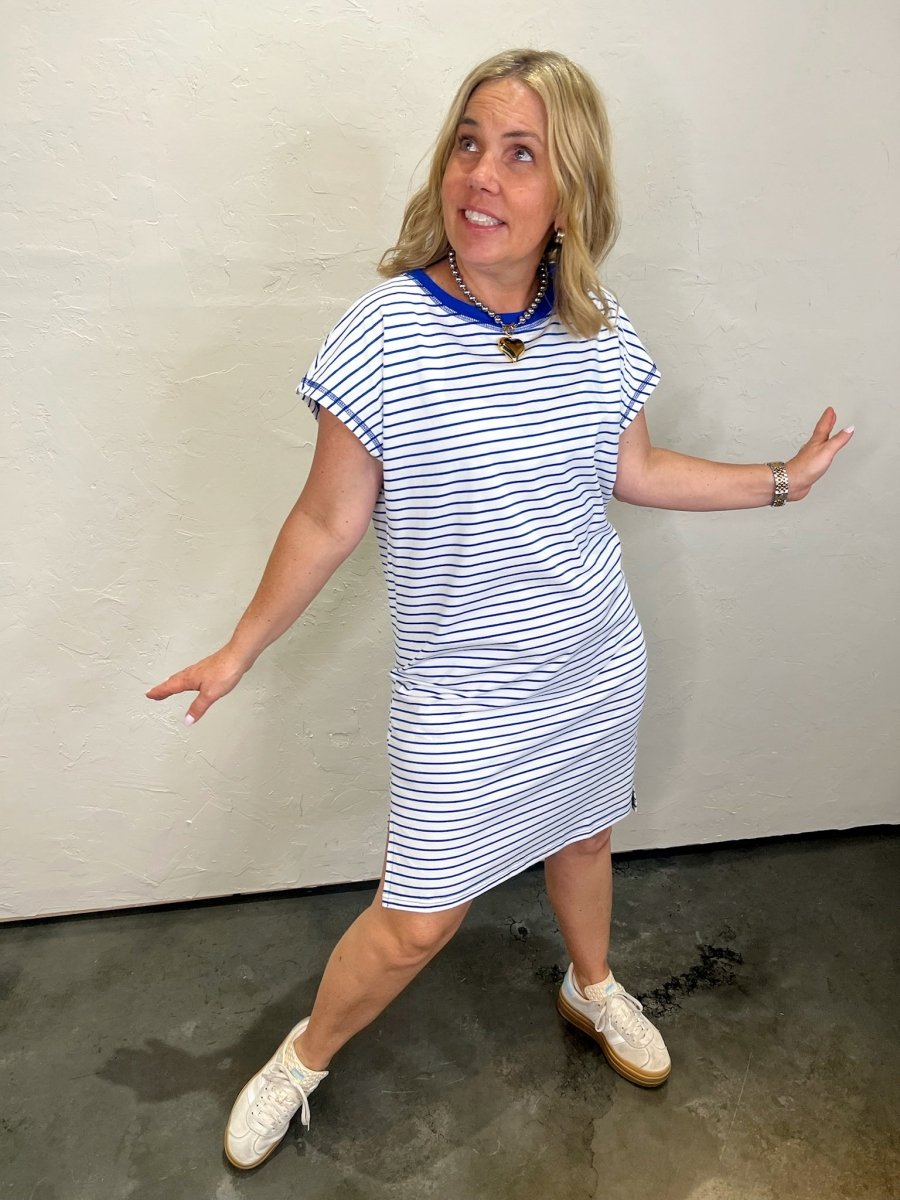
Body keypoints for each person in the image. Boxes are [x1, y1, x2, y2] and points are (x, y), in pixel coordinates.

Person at [147, 48, 853, 1171]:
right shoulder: (385, 334)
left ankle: (592, 984)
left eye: (522, 154)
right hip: (464, 695)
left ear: (568, 195)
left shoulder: (600, 330)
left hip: (591, 662)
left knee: (584, 835)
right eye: (470, 143)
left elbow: (638, 468)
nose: (482, 174)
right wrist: (240, 649)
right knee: (418, 920)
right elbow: (326, 519)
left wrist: (780, 481)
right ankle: (304, 1057)